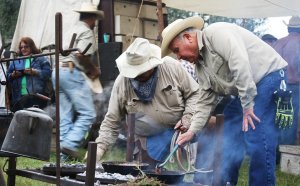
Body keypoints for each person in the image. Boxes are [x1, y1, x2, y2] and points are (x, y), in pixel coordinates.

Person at [161, 16, 287, 186]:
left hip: (268, 79)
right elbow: (205, 101)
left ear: (189, 38)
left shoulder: (217, 33)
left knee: (257, 138)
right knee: (228, 133)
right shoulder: (200, 65)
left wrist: (248, 105)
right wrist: (192, 131)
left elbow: (240, 64)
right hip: (248, 91)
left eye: (177, 50)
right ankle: (225, 183)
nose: (178, 57)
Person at [94, 37, 201, 167]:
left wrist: (188, 117)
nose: (136, 75)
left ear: (152, 64)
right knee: (146, 173)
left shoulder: (171, 67)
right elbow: (111, 121)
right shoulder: (122, 82)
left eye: (141, 71)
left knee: (209, 131)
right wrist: (99, 150)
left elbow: (195, 94)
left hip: (181, 129)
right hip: (147, 139)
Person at [52, 2, 104, 160]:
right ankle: (69, 144)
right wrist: (92, 69)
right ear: (92, 18)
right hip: (71, 71)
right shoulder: (86, 31)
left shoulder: (69, 29)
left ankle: (62, 158)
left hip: (57, 71)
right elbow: (81, 55)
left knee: (65, 116)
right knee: (88, 113)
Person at [273, 16, 300, 146]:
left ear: (289, 28)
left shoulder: (278, 43)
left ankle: (275, 151)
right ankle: (287, 152)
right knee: (291, 119)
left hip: (275, 85)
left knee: (276, 117)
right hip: (294, 86)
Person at [7, 37, 51, 107]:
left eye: (26, 47)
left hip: (36, 96)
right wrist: (12, 75)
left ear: (31, 47)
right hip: (18, 97)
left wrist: (36, 72)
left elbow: (48, 74)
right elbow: (7, 76)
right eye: (21, 47)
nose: (23, 49)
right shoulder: (15, 61)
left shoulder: (41, 58)